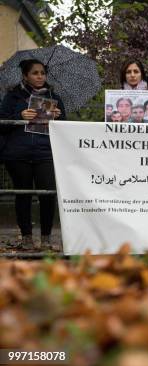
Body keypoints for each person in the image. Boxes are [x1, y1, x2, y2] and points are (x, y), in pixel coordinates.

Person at [0, 59, 65, 250]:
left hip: (45, 152)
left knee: (47, 194)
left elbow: (65, 128)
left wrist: (59, 117)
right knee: (23, 195)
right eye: (35, 73)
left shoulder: (54, 96)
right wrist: (19, 116)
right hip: (18, 154)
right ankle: (27, 238)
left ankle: (46, 238)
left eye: (42, 73)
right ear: (25, 75)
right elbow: (2, 124)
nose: (40, 76)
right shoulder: (12, 97)